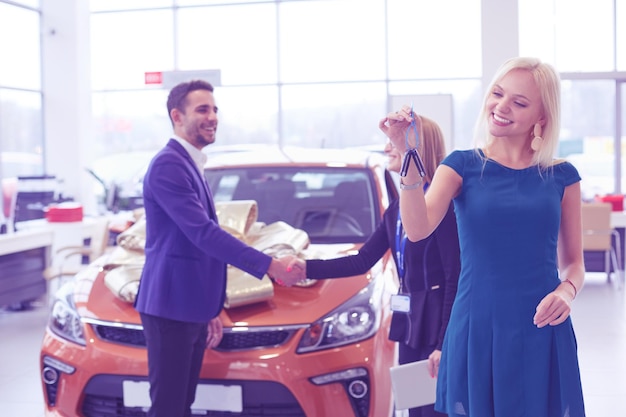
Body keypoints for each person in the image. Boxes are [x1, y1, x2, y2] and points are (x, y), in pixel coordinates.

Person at [381, 57, 586, 417]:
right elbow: (417, 229)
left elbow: (574, 264)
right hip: (477, 326)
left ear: (541, 116)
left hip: (542, 325)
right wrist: (408, 152)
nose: (501, 107)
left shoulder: (562, 176)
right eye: (497, 94)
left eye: (519, 102)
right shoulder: (461, 166)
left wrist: (566, 292)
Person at [134, 79, 304, 417]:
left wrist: (210, 308)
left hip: (190, 306)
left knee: (182, 404)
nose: (212, 117)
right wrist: (268, 265)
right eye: (202, 109)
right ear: (176, 116)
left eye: (214, 109)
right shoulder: (169, 165)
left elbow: (195, 245)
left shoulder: (190, 162)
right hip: (170, 308)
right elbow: (204, 234)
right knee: (168, 407)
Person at [299, 117, 460, 417]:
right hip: (411, 322)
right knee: (416, 410)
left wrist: (444, 343)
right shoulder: (397, 210)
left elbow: (455, 277)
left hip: (438, 323)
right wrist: (304, 270)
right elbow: (361, 260)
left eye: (395, 140)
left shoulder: (441, 203)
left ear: (417, 147)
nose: (386, 147)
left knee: (437, 411)